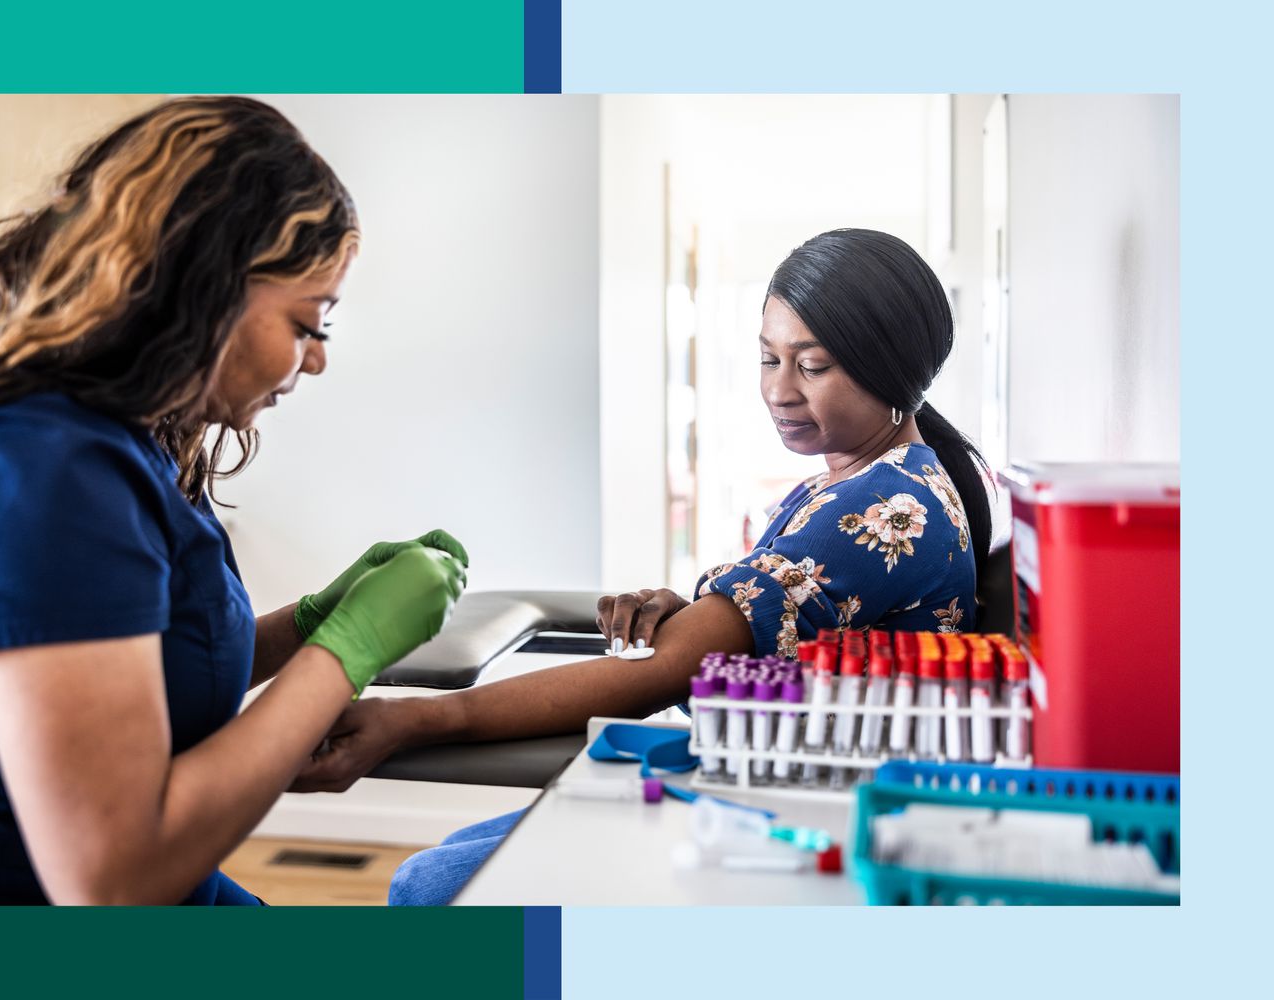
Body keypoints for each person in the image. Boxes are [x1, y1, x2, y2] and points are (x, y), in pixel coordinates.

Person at [0, 96, 470, 905]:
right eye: (309, 322)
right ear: (205, 288)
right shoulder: (28, 471)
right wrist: (350, 650)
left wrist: (311, 625)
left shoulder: (106, 436)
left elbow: (126, 672)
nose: (316, 360)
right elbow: (111, 879)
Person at [293, 229, 993, 905]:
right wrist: (698, 618)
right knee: (436, 868)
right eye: (767, 358)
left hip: (802, 820)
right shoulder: (865, 478)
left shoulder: (884, 507)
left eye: (811, 366)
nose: (780, 390)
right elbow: (765, 642)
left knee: (428, 888)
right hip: (773, 782)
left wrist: (419, 721)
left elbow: (672, 671)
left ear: (891, 368)